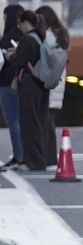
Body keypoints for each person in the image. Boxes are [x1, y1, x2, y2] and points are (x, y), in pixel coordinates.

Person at [9, 11, 50, 174]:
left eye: (20, 23)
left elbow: (20, 62)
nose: (19, 27)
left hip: (29, 85)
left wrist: (12, 55)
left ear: (27, 22)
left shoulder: (27, 39)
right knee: (38, 122)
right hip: (40, 85)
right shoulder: (39, 37)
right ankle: (38, 159)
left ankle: (32, 162)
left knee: (29, 123)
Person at [34, 5, 70, 166]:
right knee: (49, 121)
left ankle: (47, 156)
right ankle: (49, 156)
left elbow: (44, 56)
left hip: (49, 81)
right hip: (58, 80)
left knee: (45, 122)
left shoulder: (48, 35)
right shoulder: (61, 34)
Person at [0, 4, 25, 169]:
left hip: (6, 81)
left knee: (12, 119)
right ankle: (21, 154)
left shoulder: (7, 37)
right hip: (20, 81)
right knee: (19, 119)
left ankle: (19, 155)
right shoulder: (24, 35)